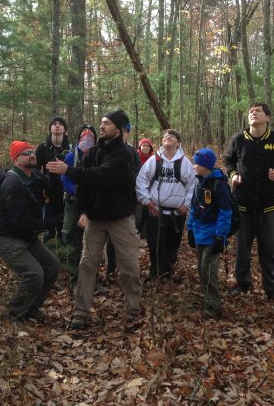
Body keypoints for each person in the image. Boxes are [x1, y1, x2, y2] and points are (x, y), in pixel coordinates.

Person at [47, 109, 142, 330]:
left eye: (107, 123)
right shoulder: (92, 154)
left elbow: (103, 176)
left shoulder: (125, 155)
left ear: (118, 129)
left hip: (121, 218)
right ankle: (81, 312)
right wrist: (83, 211)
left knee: (128, 266)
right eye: (102, 122)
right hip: (96, 220)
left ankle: (133, 309)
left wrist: (69, 170)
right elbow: (84, 186)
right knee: (87, 264)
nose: (102, 126)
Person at [222, 103, 274, 300]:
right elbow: (228, 160)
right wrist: (233, 175)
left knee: (269, 249)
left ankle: (272, 288)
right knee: (242, 249)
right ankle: (243, 283)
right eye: (251, 112)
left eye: (258, 111)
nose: (253, 114)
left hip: (269, 206)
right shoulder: (238, 139)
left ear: (268, 118)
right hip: (243, 204)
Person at [0, 141, 61, 322]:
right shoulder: (12, 183)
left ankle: (31, 309)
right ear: (16, 160)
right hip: (6, 236)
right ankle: (14, 314)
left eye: (32, 151)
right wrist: (47, 224)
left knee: (52, 266)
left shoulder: (34, 175)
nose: (31, 154)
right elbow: (19, 221)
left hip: (25, 234)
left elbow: (52, 193)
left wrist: (53, 176)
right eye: (25, 153)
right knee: (34, 273)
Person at [136, 129, 195, 283]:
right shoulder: (154, 161)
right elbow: (141, 181)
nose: (168, 138)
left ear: (178, 142)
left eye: (172, 136)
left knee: (172, 245)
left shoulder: (185, 163)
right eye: (165, 136)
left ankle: (167, 274)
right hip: (155, 212)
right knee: (154, 243)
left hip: (177, 214)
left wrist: (186, 205)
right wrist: (147, 202)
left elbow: (192, 186)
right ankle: (155, 274)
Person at [187, 148, 233, 319]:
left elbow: (225, 212)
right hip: (200, 233)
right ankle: (206, 300)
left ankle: (213, 306)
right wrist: (190, 230)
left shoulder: (219, 185)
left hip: (213, 235)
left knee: (208, 270)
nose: (193, 166)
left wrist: (220, 236)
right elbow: (194, 207)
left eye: (196, 163)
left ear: (205, 165)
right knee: (201, 268)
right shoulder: (199, 182)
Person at [61, 124, 97, 290]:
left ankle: (92, 280)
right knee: (75, 243)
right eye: (83, 133)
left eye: (90, 133)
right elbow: (65, 178)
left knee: (93, 244)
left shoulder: (99, 154)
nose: (87, 136)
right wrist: (79, 191)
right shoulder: (71, 155)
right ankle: (75, 279)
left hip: (94, 205)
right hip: (74, 204)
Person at [105, 123, 141, 278]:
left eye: (125, 131)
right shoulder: (104, 149)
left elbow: (137, 174)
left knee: (127, 237)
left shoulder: (133, 152)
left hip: (127, 202)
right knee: (110, 238)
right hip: (108, 201)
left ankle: (127, 271)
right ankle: (110, 268)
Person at [36, 116, 71, 242]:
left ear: (64, 129)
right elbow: (34, 170)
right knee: (47, 229)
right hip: (48, 194)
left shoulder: (71, 148)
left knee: (64, 228)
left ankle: (63, 255)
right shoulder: (42, 148)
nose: (57, 126)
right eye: (54, 124)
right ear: (50, 128)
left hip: (66, 192)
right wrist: (44, 180)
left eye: (60, 124)